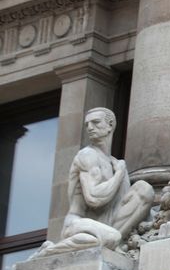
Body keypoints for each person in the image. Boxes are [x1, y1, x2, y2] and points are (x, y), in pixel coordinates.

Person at [35, 107, 154, 257]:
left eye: (96, 122)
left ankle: (111, 242)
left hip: (105, 223)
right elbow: (94, 198)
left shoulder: (115, 163)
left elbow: (125, 203)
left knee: (144, 190)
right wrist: (118, 174)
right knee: (112, 237)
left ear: (110, 125)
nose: (90, 128)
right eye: (87, 124)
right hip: (77, 224)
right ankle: (49, 251)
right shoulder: (87, 155)